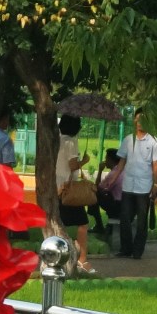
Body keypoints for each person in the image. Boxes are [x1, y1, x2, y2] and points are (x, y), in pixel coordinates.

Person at [52, 113, 95, 274]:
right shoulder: (70, 142)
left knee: (58, 222)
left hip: (56, 187)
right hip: (68, 188)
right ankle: (82, 260)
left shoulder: (56, 140)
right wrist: (84, 161)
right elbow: (72, 166)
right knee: (83, 224)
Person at [117, 112, 157, 259]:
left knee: (142, 221)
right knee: (125, 218)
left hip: (144, 186)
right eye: (138, 119)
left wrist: (155, 184)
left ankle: (137, 251)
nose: (140, 122)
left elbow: (155, 164)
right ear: (134, 120)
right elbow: (122, 161)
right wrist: (113, 178)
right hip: (128, 185)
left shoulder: (153, 142)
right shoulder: (128, 140)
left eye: (143, 119)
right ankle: (125, 249)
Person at [94, 148, 125, 235]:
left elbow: (97, 188)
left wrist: (100, 171)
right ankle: (107, 224)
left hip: (118, 206)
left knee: (93, 196)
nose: (105, 160)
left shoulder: (113, 174)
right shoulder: (124, 170)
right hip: (126, 204)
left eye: (106, 158)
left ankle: (99, 225)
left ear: (111, 160)